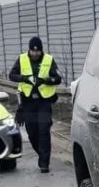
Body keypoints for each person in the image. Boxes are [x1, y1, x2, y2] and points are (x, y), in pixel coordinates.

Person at [8, 36, 62, 174]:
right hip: (28, 101)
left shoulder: (49, 59)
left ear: (41, 50)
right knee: (32, 132)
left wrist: (45, 80)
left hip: (44, 101)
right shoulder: (22, 59)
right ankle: (42, 153)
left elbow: (58, 79)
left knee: (44, 130)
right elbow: (12, 75)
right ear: (29, 50)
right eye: (33, 51)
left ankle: (44, 163)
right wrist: (24, 79)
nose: (35, 53)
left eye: (37, 51)